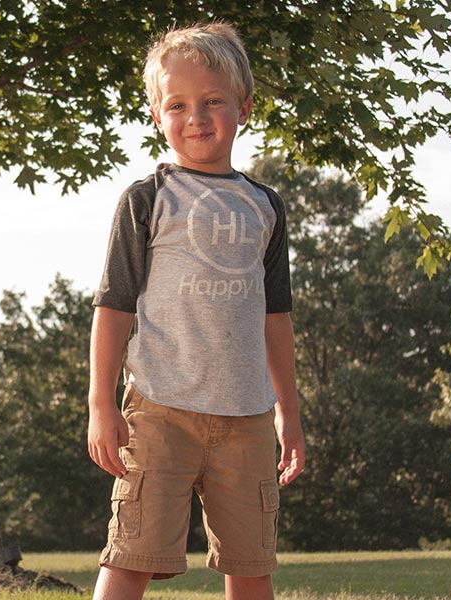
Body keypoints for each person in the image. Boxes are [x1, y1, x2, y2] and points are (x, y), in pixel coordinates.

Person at [86, 22, 305, 600]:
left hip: (248, 420)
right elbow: (112, 307)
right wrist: (100, 405)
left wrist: (290, 413)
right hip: (159, 413)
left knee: (252, 566)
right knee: (132, 555)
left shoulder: (266, 207)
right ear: (157, 115)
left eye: (213, 101)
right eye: (177, 104)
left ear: (245, 108)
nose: (196, 117)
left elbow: (275, 317)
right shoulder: (147, 200)